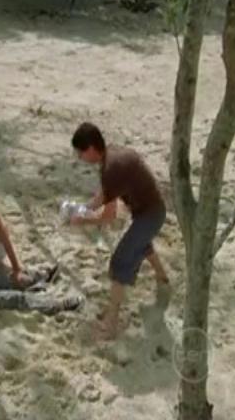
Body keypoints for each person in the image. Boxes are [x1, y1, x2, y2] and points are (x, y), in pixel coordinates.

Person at [70, 122, 169, 339]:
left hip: (151, 216)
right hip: (149, 211)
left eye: (80, 154)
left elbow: (109, 215)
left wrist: (82, 220)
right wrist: (84, 208)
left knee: (120, 262)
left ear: (91, 149)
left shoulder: (111, 169)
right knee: (141, 243)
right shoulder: (113, 155)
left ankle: (111, 324)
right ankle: (163, 279)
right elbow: (106, 195)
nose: (80, 158)